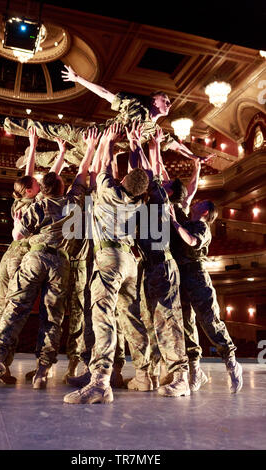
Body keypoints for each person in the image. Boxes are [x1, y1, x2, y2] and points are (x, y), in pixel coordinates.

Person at [0, 129, 98, 390]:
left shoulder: (38, 205)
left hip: (34, 257)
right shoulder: (71, 202)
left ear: (43, 189)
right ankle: (43, 370)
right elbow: (82, 174)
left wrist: (20, 227)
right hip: (60, 263)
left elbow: (18, 233)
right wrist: (90, 147)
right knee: (52, 318)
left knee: (15, 308)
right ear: (62, 188)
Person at [0, 65, 214, 169]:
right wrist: (77, 79)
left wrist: (195, 157)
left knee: (61, 161)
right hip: (88, 135)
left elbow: (175, 145)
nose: (169, 103)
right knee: (43, 128)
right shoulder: (135, 106)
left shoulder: (155, 132)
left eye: (170, 102)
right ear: (153, 100)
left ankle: (31, 158)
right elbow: (106, 94)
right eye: (165, 99)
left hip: (97, 152)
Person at [63, 123, 152, 404]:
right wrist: (117, 150)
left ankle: (100, 381)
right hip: (130, 262)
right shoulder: (137, 201)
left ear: (124, 181)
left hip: (110, 258)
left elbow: (98, 168)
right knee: (132, 318)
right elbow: (110, 173)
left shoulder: (110, 191)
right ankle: (143, 375)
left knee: (102, 315)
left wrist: (104, 142)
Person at [124, 123, 190, 397]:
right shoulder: (143, 199)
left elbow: (145, 169)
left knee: (167, 320)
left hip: (161, 265)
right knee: (150, 320)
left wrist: (137, 144)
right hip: (150, 267)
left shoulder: (159, 196)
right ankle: (152, 373)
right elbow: (141, 171)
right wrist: (142, 145)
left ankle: (180, 376)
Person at [169, 200, 243, 393]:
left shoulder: (203, 227)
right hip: (180, 277)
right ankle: (195, 370)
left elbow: (192, 242)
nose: (196, 202)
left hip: (197, 276)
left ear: (206, 211)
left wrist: (175, 223)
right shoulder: (185, 220)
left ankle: (231, 361)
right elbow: (184, 194)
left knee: (209, 321)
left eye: (201, 202)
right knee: (186, 324)